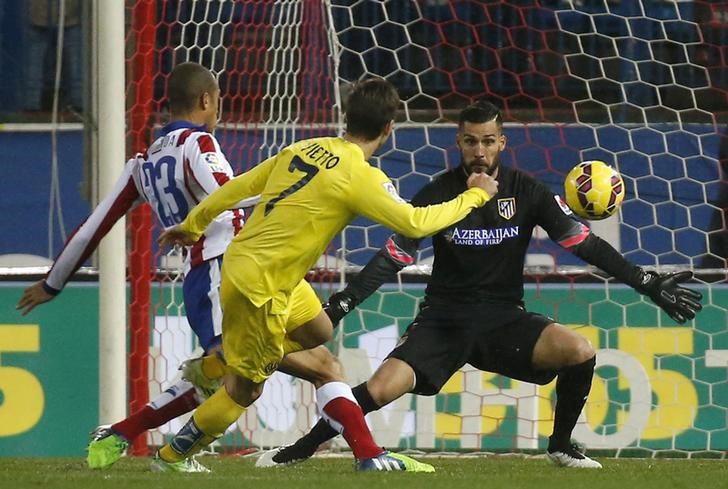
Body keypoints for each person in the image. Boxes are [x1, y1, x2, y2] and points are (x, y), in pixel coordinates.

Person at [257, 99, 704, 470]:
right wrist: (342, 303)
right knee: (377, 389)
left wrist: (645, 281)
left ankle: (561, 446)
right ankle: (298, 450)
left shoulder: (527, 191)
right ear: (459, 143)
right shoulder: (437, 192)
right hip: (443, 320)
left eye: (488, 141)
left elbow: (583, 244)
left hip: (503, 320)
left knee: (580, 351)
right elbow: (395, 255)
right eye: (470, 141)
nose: (479, 151)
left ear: (502, 143)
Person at [155, 78, 499, 473]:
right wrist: (476, 195)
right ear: (390, 128)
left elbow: (241, 186)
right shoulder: (359, 176)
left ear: (347, 118)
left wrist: (193, 223)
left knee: (318, 331)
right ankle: (172, 457)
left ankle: (234, 356)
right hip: (260, 287)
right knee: (245, 389)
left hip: (264, 271)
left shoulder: (305, 147)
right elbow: (416, 223)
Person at [15, 61, 343, 471]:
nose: (219, 110)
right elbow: (228, 195)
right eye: (218, 101)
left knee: (315, 360)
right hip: (226, 271)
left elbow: (92, 227)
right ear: (207, 100)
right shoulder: (199, 146)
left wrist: (53, 282)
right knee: (238, 378)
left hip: (211, 278)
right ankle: (146, 440)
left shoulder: (143, 163)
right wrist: (297, 191)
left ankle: (130, 433)